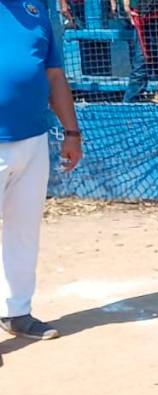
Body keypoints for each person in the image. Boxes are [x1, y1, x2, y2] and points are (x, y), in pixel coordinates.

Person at [0, 0, 82, 340]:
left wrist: (72, 132)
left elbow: (54, 75)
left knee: (24, 230)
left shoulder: (36, 9)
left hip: (32, 139)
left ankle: (16, 312)